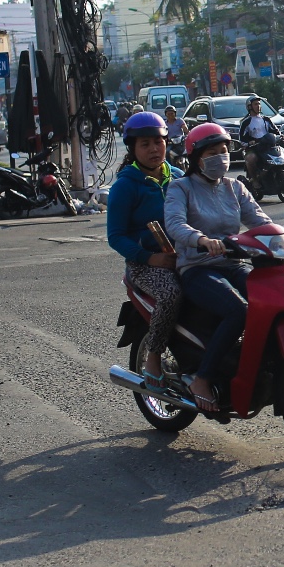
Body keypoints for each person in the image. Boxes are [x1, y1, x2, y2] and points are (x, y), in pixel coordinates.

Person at [165, 123, 281, 413]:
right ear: (196, 158)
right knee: (237, 310)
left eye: (225, 151)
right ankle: (202, 378)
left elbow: (260, 221)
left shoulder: (235, 187)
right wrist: (201, 239)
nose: (221, 157)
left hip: (232, 263)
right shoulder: (181, 187)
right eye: (213, 152)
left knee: (273, 300)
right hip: (197, 268)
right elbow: (175, 223)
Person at [107, 112, 182, 383]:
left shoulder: (180, 179)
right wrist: (151, 258)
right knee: (171, 294)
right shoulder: (125, 187)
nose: (153, 149)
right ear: (133, 148)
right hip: (144, 266)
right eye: (145, 144)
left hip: (186, 258)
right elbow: (116, 236)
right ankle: (153, 358)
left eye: (158, 142)